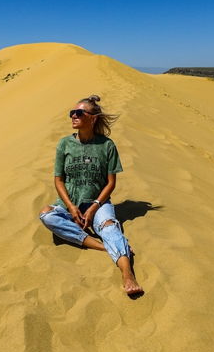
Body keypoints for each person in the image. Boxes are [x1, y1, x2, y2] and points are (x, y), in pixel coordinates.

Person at [39, 95, 143, 296]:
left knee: (110, 228)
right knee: (46, 215)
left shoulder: (107, 146)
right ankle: (101, 246)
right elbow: (58, 180)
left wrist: (95, 206)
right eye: (72, 113)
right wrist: (70, 207)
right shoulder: (64, 144)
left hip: (98, 203)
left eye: (79, 113)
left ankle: (127, 273)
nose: (73, 116)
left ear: (93, 118)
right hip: (70, 203)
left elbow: (111, 183)